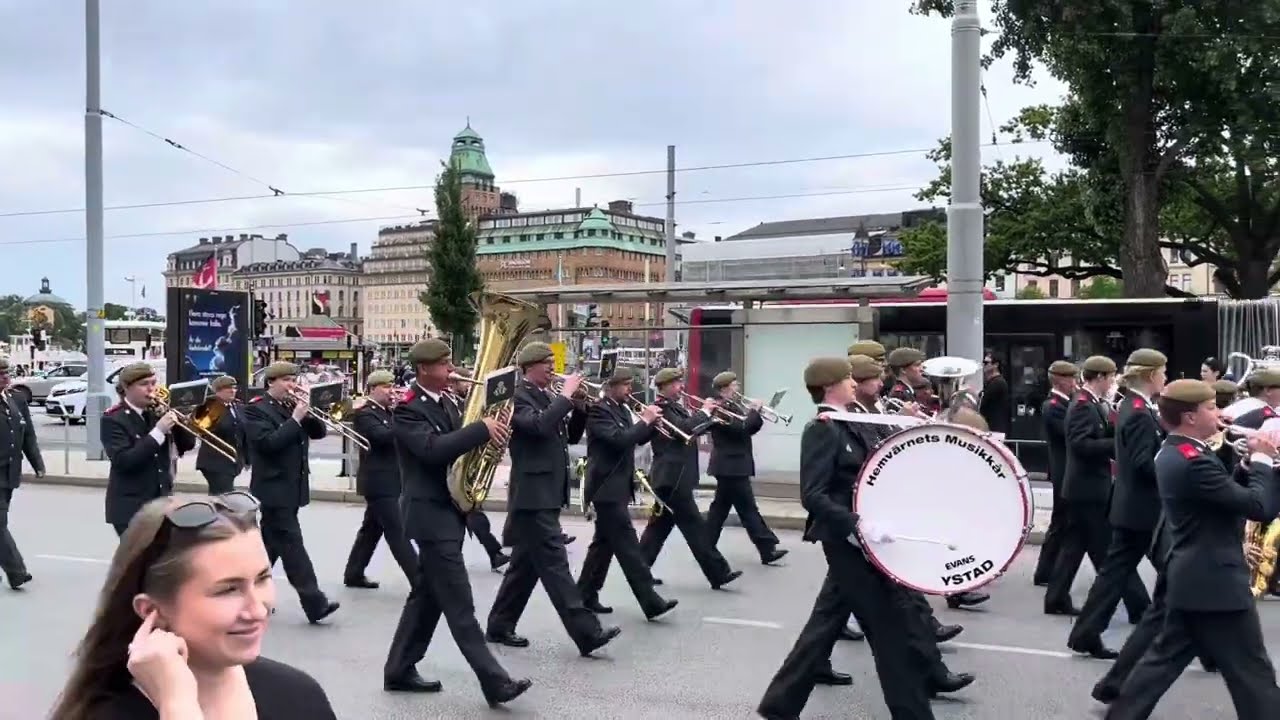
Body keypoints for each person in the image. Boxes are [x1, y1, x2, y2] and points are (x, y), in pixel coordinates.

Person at [47, 492, 339, 720]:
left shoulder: (297, 695)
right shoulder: (103, 714)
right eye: (228, 590)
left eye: (262, 579)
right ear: (152, 612)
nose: (258, 610)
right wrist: (178, 706)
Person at [757, 357, 935, 720]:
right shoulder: (822, 428)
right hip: (847, 543)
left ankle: (780, 704)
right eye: (846, 378)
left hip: (866, 543)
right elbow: (813, 494)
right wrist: (857, 524)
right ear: (828, 386)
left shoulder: (854, 420)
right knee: (889, 632)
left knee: (825, 625)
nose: (854, 383)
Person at [1103, 379, 1280, 719]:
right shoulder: (1191, 459)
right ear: (1190, 417)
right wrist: (1261, 461)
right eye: (1211, 408)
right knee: (1253, 674)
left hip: (1195, 578)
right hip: (1216, 581)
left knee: (1158, 666)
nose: (1220, 414)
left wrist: (1245, 468)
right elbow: (1259, 507)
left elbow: (1223, 495)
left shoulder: (1183, 452)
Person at [382, 339, 531, 705]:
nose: (452, 369)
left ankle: (398, 669)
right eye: (444, 364)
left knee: (427, 598)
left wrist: (493, 437)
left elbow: (461, 447)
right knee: (460, 605)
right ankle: (495, 682)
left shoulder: (448, 400)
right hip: (428, 515)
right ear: (423, 370)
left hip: (449, 510)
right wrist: (481, 428)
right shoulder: (406, 409)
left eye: (450, 362)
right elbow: (432, 451)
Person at [486, 342, 621, 656]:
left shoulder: (547, 396)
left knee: (525, 566)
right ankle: (587, 633)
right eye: (546, 363)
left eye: (552, 362)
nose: (552, 367)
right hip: (532, 493)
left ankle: (499, 625)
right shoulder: (517, 397)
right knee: (557, 566)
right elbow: (537, 426)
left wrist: (578, 405)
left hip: (546, 491)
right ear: (529, 366)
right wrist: (563, 398)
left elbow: (569, 436)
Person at [1068, 350, 1168, 658]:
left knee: (1114, 575)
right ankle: (1205, 643)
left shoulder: (1133, 405)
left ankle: (1086, 634)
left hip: (1132, 507)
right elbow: (1142, 463)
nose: (1165, 377)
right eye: (1164, 372)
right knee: (1179, 572)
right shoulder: (1138, 411)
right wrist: (1176, 470)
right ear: (1151, 375)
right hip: (1142, 509)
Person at [1044, 355, 1150, 620]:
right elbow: (1080, 444)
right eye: (1111, 377)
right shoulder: (1082, 405)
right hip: (1087, 489)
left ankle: (1056, 598)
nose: (1113, 382)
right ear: (1100, 377)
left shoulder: (1090, 402)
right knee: (1110, 554)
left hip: (1084, 488)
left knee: (1074, 546)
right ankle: (1139, 607)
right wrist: (1119, 444)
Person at [884, 346, 988, 611]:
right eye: (918, 366)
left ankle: (954, 590)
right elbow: (900, 432)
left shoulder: (916, 393)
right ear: (905, 369)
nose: (922, 370)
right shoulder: (898, 395)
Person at [576, 365, 678, 619]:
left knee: (603, 546)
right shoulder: (599, 411)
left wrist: (653, 423)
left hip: (619, 486)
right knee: (629, 546)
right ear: (610, 387)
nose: (630, 389)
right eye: (625, 384)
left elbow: (637, 439)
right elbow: (619, 439)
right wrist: (644, 420)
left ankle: (584, 595)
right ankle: (650, 602)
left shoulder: (620, 409)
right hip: (605, 487)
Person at [242, 361, 339, 625]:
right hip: (273, 489)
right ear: (271, 382)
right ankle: (314, 602)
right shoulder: (255, 410)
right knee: (294, 548)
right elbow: (269, 444)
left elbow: (318, 433)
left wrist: (309, 414)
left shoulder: (290, 407)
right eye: (286, 380)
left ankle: (245, 596)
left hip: (292, 488)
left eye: (294, 379)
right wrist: (296, 418)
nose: (292, 385)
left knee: (268, 548)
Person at [637, 368, 742, 589]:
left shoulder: (675, 407)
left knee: (658, 528)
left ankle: (639, 571)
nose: (681, 387)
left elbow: (692, 431)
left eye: (680, 382)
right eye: (676, 383)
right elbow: (682, 430)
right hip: (672, 477)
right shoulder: (660, 409)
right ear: (663, 386)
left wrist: (712, 419)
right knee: (695, 527)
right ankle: (718, 573)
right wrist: (703, 412)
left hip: (676, 476)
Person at [102, 362, 197, 537]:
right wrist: (159, 431)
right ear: (126, 387)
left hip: (161, 505)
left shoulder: (156, 412)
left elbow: (187, 445)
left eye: (153, 383)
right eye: (144, 384)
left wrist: (181, 421)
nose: (151, 389)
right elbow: (125, 461)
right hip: (131, 508)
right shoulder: (114, 419)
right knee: (140, 562)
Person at [343, 370, 417, 588]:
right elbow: (382, 438)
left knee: (371, 530)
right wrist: (403, 417)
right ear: (372, 389)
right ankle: (419, 579)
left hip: (392, 479)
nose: (391, 391)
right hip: (378, 482)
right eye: (385, 387)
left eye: (392, 386)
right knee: (398, 531)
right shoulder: (365, 413)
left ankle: (353, 573)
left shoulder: (388, 412)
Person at [704, 370, 786, 565]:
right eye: (734, 385)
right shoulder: (720, 408)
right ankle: (766, 547)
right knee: (748, 509)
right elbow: (740, 430)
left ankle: (704, 547)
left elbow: (750, 430)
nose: (738, 388)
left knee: (720, 510)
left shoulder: (732, 405)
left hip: (733, 465)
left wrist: (757, 414)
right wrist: (754, 411)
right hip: (730, 465)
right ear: (724, 389)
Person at [447, 368, 510, 571]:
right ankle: (493, 553)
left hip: (465, 464)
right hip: (453, 466)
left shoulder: (464, 402)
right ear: (454, 383)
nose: (469, 386)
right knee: (469, 513)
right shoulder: (448, 403)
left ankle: (492, 554)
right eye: (465, 382)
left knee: (469, 512)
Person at [1032, 361, 1078, 587]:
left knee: (1062, 523)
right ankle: (1045, 572)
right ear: (1060, 380)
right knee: (1059, 524)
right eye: (1071, 379)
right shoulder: (1054, 405)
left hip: (1066, 470)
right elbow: (1069, 434)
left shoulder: (1065, 403)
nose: (1074, 383)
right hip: (1063, 471)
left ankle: (1047, 572)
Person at [0, 357, 43, 590]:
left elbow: (27, 435)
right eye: (0, 374)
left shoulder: (15, 398)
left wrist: (37, 464)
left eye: (7, 373)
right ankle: (17, 572)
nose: (5, 378)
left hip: (9, 472)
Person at [194, 375, 247, 495]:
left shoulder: (237, 406)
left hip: (232, 460)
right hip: (215, 461)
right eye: (228, 388)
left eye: (234, 388)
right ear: (218, 391)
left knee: (220, 498)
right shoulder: (209, 407)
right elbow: (202, 427)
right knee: (224, 496)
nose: (233, 391)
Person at [978, 351, 1011, 435]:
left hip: (995, 429)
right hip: (990, 428)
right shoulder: (991, 383)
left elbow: (983, 403)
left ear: (996, 365)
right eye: (983, 363)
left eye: (986, 363)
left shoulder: (998, 383)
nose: (984, 365)